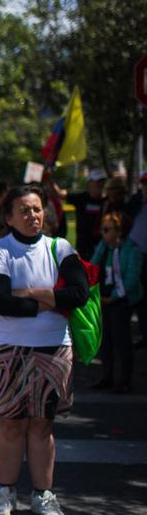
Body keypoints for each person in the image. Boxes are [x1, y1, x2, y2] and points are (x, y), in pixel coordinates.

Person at [0, 185, 89, 515]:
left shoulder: (61, 249)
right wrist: (52, 301)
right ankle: (5, 491)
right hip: (6, 348)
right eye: (24, 210)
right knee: (11, 424)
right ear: (9, 217)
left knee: (42, 426)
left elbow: (79, 294)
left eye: (38, 209)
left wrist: (30, 292)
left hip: (54, 348)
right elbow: (2, 302)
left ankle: (43, 494)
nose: (33, 216)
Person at [89, 211, 142, 392]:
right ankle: (106, 376)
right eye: (102, 229)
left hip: (121, 300)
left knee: (121, 340)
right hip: (104, 298)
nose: (103, 233)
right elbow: (93, 266)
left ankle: (125, 380)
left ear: (119, 231)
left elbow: (131, 280)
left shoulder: (131, 250)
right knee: (106, 340)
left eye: (106, 229)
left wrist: (113, 296)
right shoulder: (104, 247)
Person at [63, 168, 108, 258]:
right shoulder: (81, 198)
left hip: (103, 245)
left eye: (102, 181)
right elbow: (61, 194)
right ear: (89, 183)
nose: (100, 184)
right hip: (84, 247)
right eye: (97, 181)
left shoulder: (108, 200)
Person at [128, 173, 147, 348]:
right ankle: (143, 333)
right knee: (139, 298)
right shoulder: (138, 203)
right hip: (138, 255)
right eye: (144, 185)